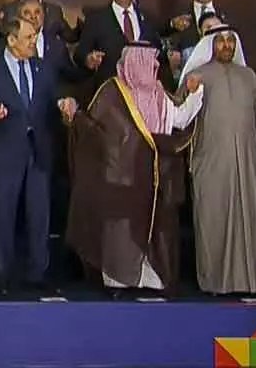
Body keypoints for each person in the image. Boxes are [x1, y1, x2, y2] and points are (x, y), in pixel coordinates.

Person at [62, 43, 203, 298]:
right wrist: (77, 117)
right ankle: (118, 282)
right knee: (121, 232)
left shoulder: (159, 94)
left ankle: (151, 282)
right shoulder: (112, 93)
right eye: (148, 61)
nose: (155, 66)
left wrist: (195, 95)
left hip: (154, 177)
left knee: (154, 231)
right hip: (121, 178)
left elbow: (180, 120)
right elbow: (99, 133)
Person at [0, 17, 64, 296]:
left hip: (39, 151)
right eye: (29, 37)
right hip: (4, 151)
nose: (34, 41)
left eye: (35, 36)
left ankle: (38, 273)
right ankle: (3, 275)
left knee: (40, 216)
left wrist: (65, 104)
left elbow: (54, 102)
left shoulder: (43, 67)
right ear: (11, 41)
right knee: (3, 214)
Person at [180, 24, 256, 296]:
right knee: (213, 219)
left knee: (248, 220)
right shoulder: (197, 75)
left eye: (231, 40)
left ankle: (250, 283)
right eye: (220, 40)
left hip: (247, 163)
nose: (226, 45)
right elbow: (179, 114)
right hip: (211, 161)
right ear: (210, 44)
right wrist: (189, 92)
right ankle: (215, 283)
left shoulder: (248, 76)